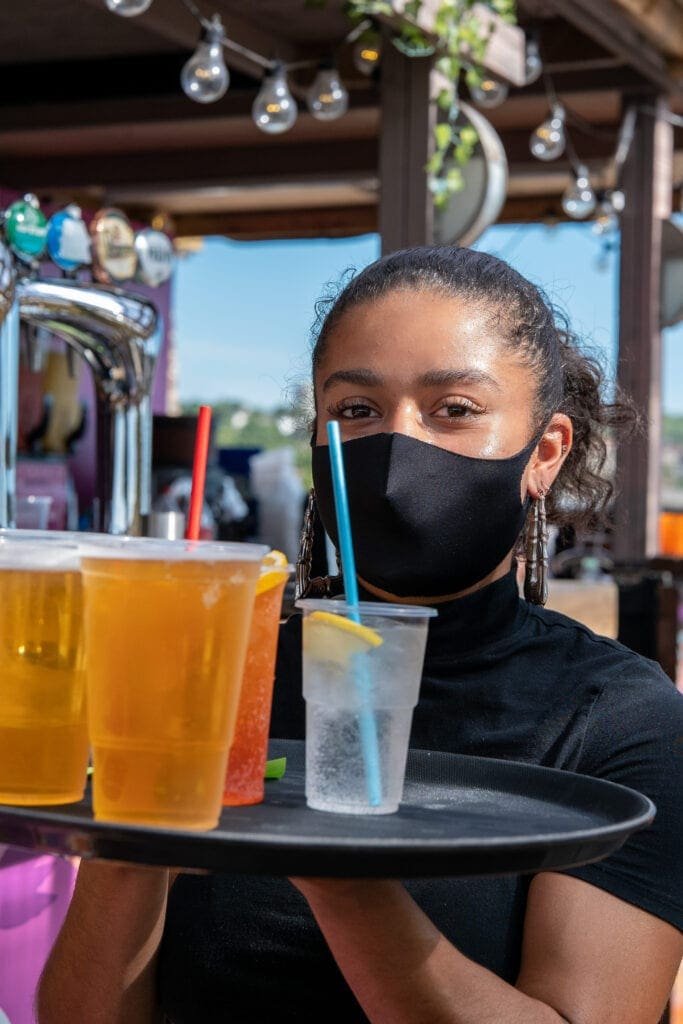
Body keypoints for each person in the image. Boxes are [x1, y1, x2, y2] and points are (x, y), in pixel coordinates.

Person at [38, 247, 683, 1024]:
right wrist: (131, 831)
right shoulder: (227, 681)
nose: (397, 447)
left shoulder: (616, 717)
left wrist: (342, 877)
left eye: (453, 409)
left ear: (544, 452)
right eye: (356, 411)